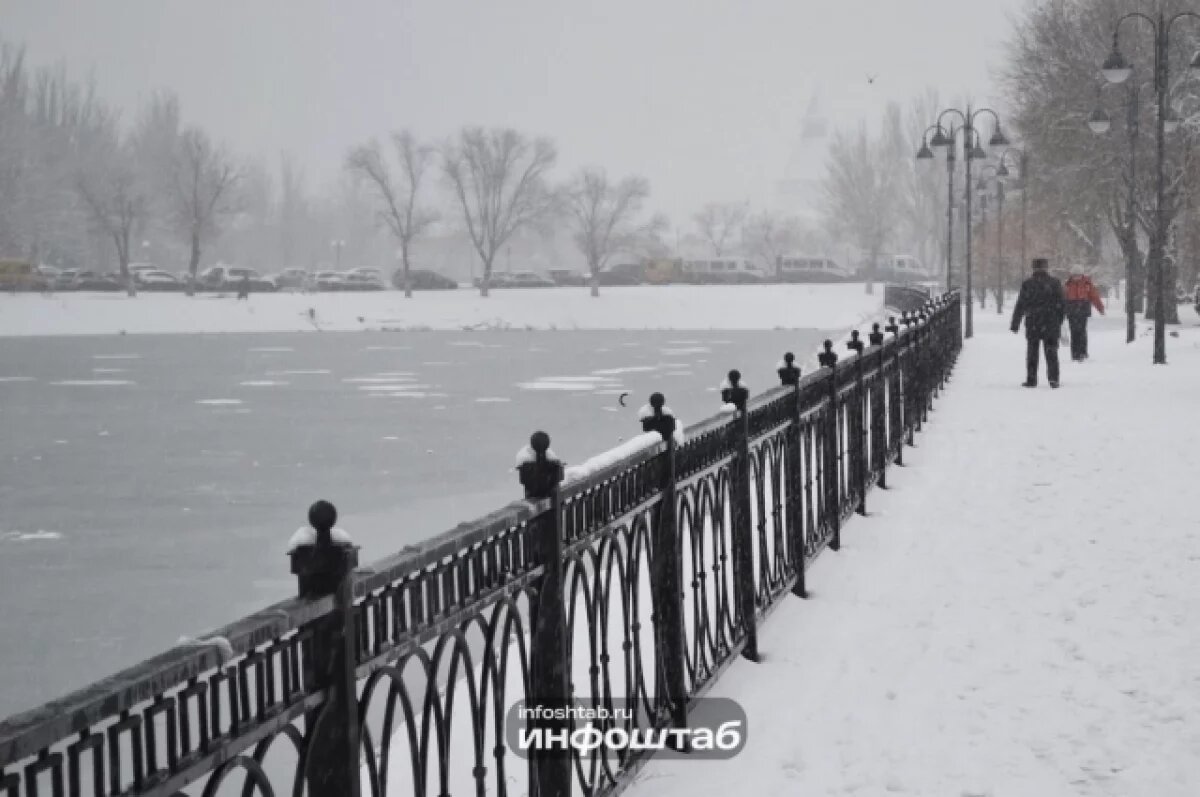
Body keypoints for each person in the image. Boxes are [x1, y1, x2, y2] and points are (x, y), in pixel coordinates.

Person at [1010, 257, 1066, 388]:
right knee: (1051, 352)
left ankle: (1031, 379)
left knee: (1032, 352)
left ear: (1033, 268)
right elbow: (1062, 304)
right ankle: (1054, 379)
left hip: (1033, 322)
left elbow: (1021, 304)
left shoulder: (1028, 284)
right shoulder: (1055, 283)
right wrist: (1059, 319)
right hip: (1051, 322)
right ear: (1046, 268)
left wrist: (1015, 323)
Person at [1063, 266, 1105, 361]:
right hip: (1071, 310)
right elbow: (1063, 298)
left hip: (1083, 309)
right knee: (1074, 332)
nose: (1076, 277)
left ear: (1082, 275)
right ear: (1071, 275)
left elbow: (1094, 296)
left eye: (1078, 275)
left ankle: (1083, 352)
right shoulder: (1067, 284)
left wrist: (1100, 308)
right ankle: (1075, 354)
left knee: (1081, 331)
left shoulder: (1087, 283)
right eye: (1074, 275)